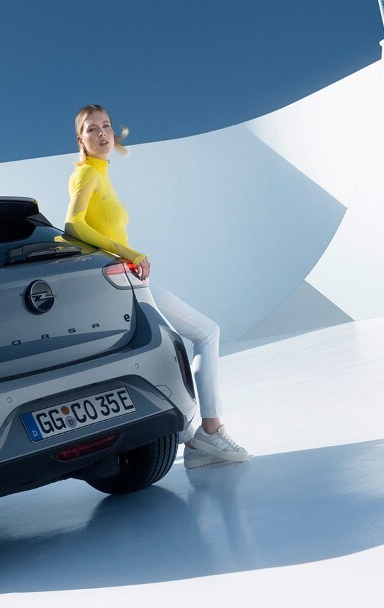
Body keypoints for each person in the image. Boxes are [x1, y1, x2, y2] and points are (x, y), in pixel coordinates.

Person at [64, 104, 249, 467]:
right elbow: (73, 225)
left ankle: (199, 438)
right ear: (80, 140)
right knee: (204, 333)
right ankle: (207, 433)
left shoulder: (101, 174)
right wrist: (128, 252)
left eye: (106, 126)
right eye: (91, 129)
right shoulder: (86, 174)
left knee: (190, 339)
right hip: (121, 282)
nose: (101, 133)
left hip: (129, 280)